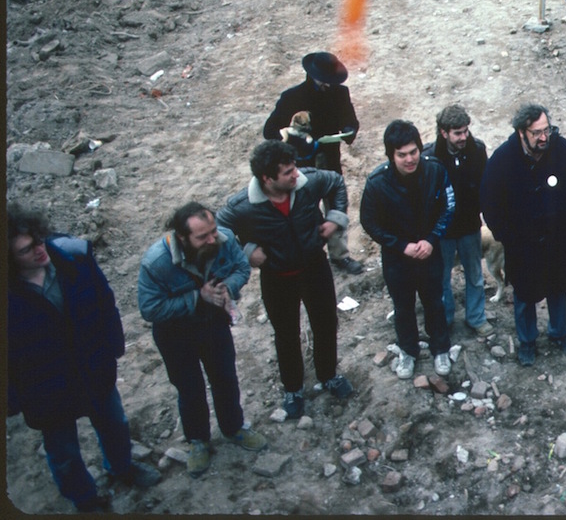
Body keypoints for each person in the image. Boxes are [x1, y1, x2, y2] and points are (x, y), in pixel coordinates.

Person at [8, 203, 162, 511]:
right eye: (26, 250)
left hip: (93, 368)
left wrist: (113, 348)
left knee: (115, 423)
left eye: (38, 240)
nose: (40, 250)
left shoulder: (74, 260)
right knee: (63, 450)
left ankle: (121, 467)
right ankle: (84, 498)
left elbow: (105, 303)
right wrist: (14, 400)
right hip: (45, 389)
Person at [217, 140, 354, 419]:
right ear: (267, 179)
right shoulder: (243, 206)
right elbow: (219, 229)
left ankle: (328, 374)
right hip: (277, 278)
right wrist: (247, 249)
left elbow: (336, 183)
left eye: (294, 169)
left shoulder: (308, 183)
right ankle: (292, 388)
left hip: (315, 268)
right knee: (286, 334)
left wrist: (335, 218)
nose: (296, 175)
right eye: (288, 173)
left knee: (326, 323)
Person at [138, 202, 268, 477]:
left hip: (213, 323)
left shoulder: (223, 238)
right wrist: (198, 298)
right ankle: (198, 441)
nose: (213, 239)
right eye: (203, 237)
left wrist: (226, 289)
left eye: (212, 231)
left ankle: (233, 428)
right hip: (175, 334)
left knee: (225, 378)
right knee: (190, 388)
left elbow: (241, 268)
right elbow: (150, 308)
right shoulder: (156, 262)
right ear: (182, 238)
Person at [480, 103, 566, 367]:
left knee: (558, 288)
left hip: (557, 241)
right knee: (524, 295)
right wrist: (507, 237)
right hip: (522, 246)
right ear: (521, 133)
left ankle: (559, 333)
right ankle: (527, 341)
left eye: (546, 130)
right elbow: (490, 203)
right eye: (536, 132)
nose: (543, 137)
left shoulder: (563, 151)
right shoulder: (503, 159)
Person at [362, 120, 456, 380]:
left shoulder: (435, 171)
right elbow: (369, 222)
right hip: (397, 258)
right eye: (401, 154)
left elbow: (448, 208)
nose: (409, 159)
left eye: (413, 151)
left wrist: (432, 239)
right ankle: (408, 350)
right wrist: (401, 246)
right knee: (403, 306)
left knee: (434, 302)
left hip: (429, 252)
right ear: (390, 155)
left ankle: (440, 348)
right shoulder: (377, 183)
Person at [262, 51, 362, 275]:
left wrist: (348, 131)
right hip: (299, 164)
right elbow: (270, 131)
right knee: (302, 209)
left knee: (336, 205)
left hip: (329, 158)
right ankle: (308, 254)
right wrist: (294, 141)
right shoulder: (292, 97)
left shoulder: (340, 93)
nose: (329, 85)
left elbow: (351, 121)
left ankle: (340, 255)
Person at [423, 104, 494, 338]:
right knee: (442, 277)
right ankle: (444, 318)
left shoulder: (477, 150)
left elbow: (486, 185)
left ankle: (476, 317)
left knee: (474, 275)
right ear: (444, 132)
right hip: (442, 231)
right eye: (457, 133)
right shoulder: (430, 157)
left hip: (469, 227)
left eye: (465, 131)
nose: (464, 137)